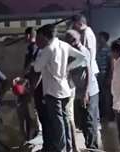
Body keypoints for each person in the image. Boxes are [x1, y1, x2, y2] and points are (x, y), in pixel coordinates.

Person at [32, 24, 86, 152]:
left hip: (52, 92)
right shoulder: (64, 45)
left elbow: (37, 68)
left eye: (39, 37)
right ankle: (68, 148)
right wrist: (68, 67)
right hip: (65, 90)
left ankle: (61, 149)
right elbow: (81, 57)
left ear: (45, 36)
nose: (38, 41)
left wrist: (36, 60)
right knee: (65, 120)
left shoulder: (47, 50)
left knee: (58, 124)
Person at [66, 29, 100, 150]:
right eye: (69, 39)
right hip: (79, 91)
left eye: (73, 39)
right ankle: (89, 145)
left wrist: (86, 92)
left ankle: (93, 147)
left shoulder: (83, 51)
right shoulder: (72, 52)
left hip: (89, 90)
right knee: (84, 122)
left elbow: (89, 72)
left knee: (90, 121)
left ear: (78, 39)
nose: (71, 42)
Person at [97, 32, 112, 119]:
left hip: (104, 74)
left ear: (104, 38)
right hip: (98, 74)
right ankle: (101, 113)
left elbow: (111, 63)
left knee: (106, 95)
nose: (99, 39)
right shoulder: (99, 48)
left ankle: (108, 114)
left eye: (100, 37)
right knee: (100, 95)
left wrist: (109, 77)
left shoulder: (107, 49)